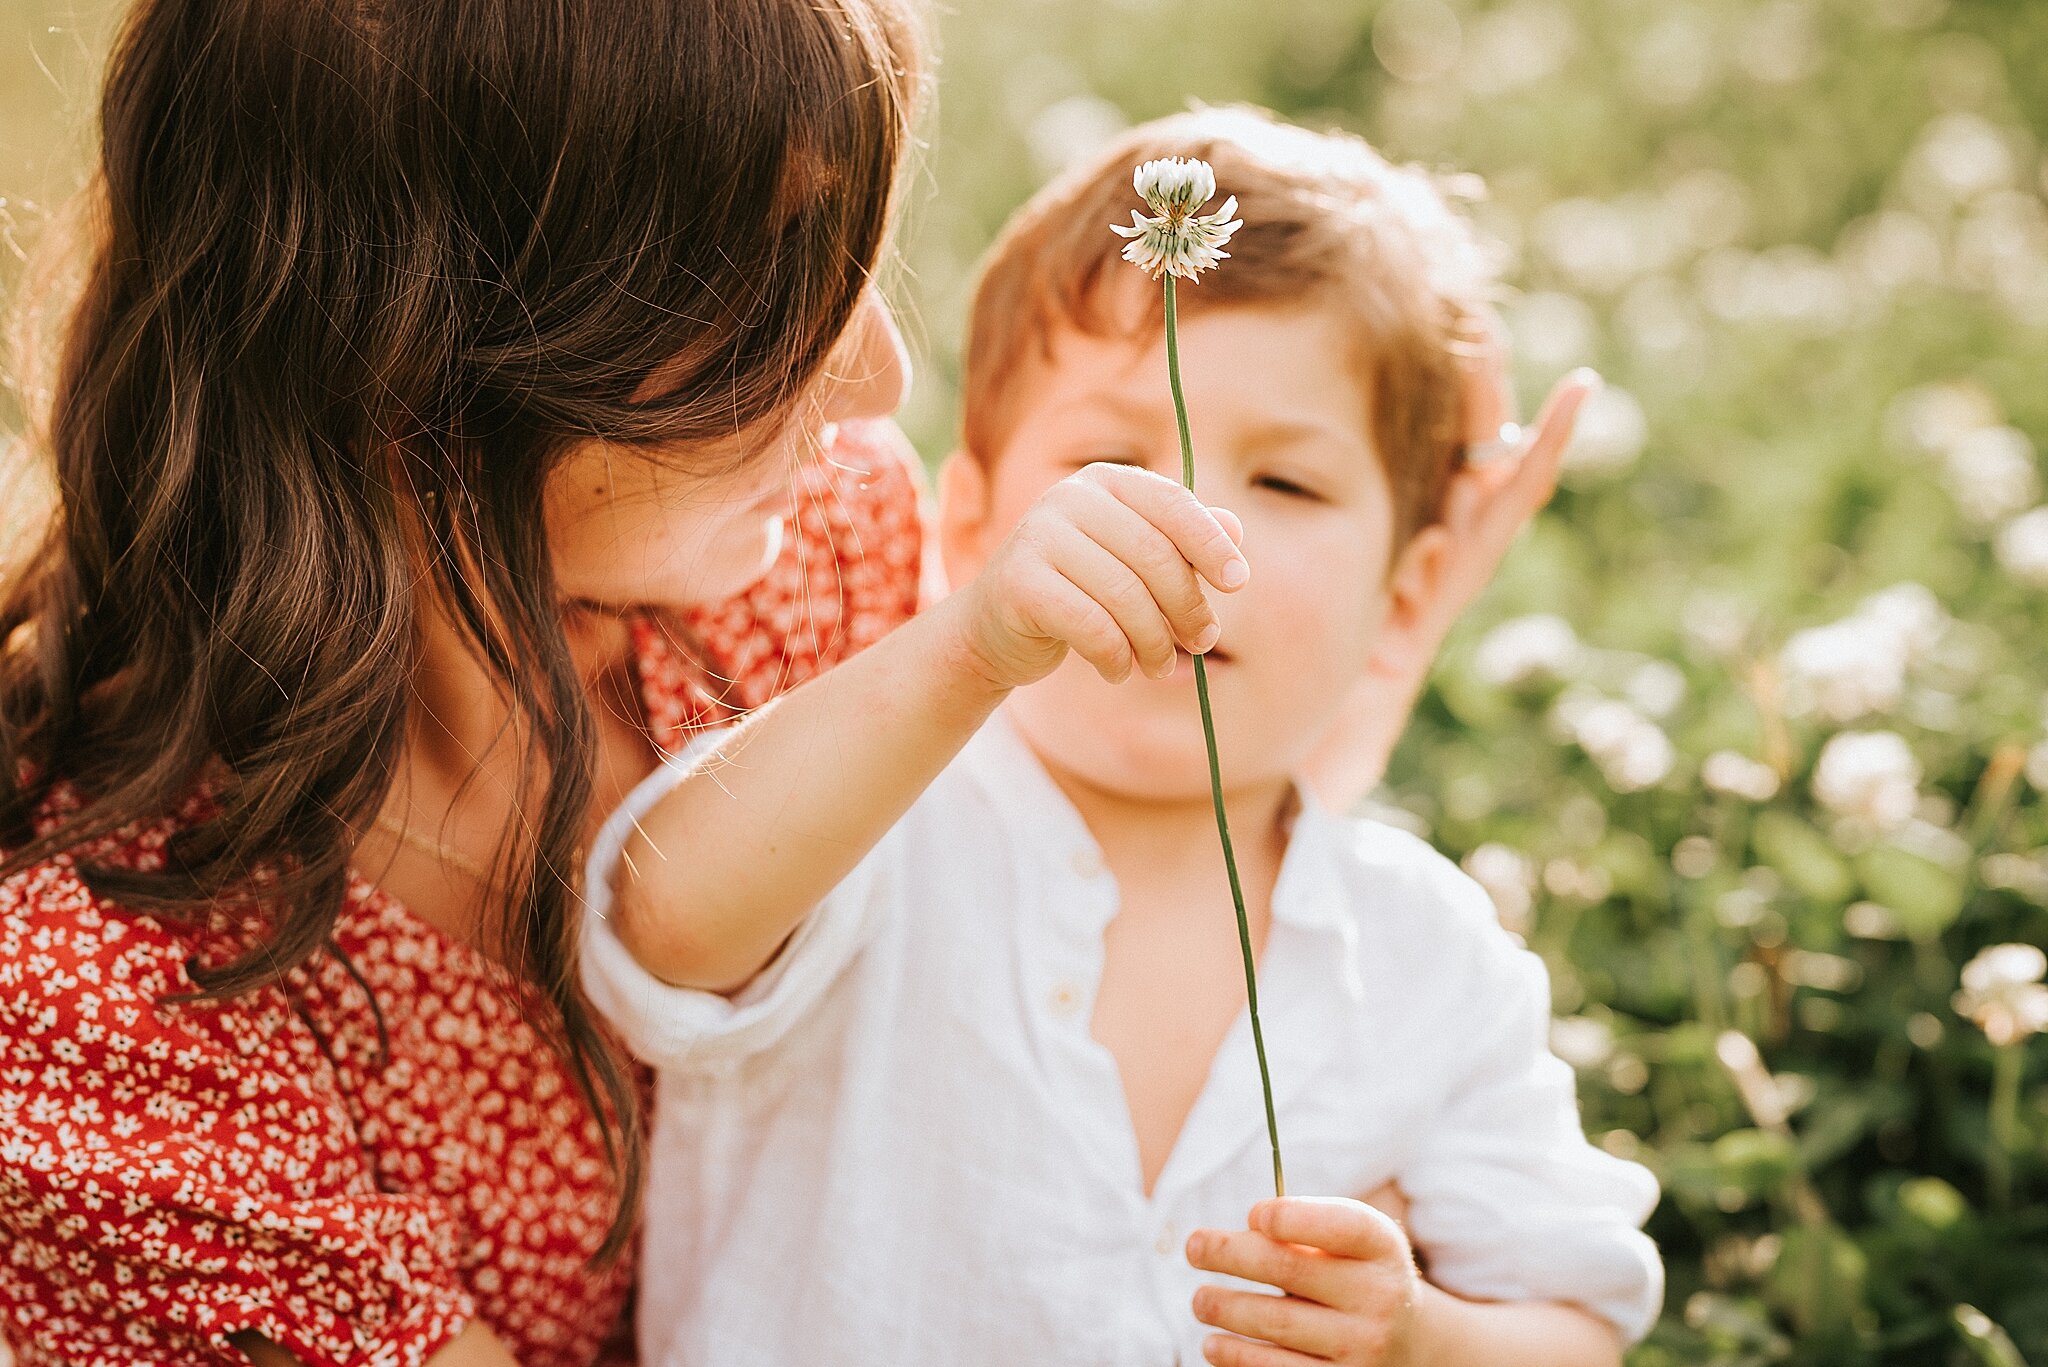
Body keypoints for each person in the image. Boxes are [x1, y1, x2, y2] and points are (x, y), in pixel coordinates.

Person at [581, 108, 1662, 1367]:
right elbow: (663, 919)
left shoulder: (1428, 957)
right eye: (1105, 457)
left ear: (1407, 596)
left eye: (1289, 483)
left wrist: (1420, 1337)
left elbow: (1578, 1325)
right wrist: (974, 642)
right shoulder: (872, 812)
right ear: (973, 524)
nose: (1181, 521)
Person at [0, 1, 928, 1363]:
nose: (879, 383)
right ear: (413, 354)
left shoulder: (826, 559)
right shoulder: (102, 1001)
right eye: (768, 291)